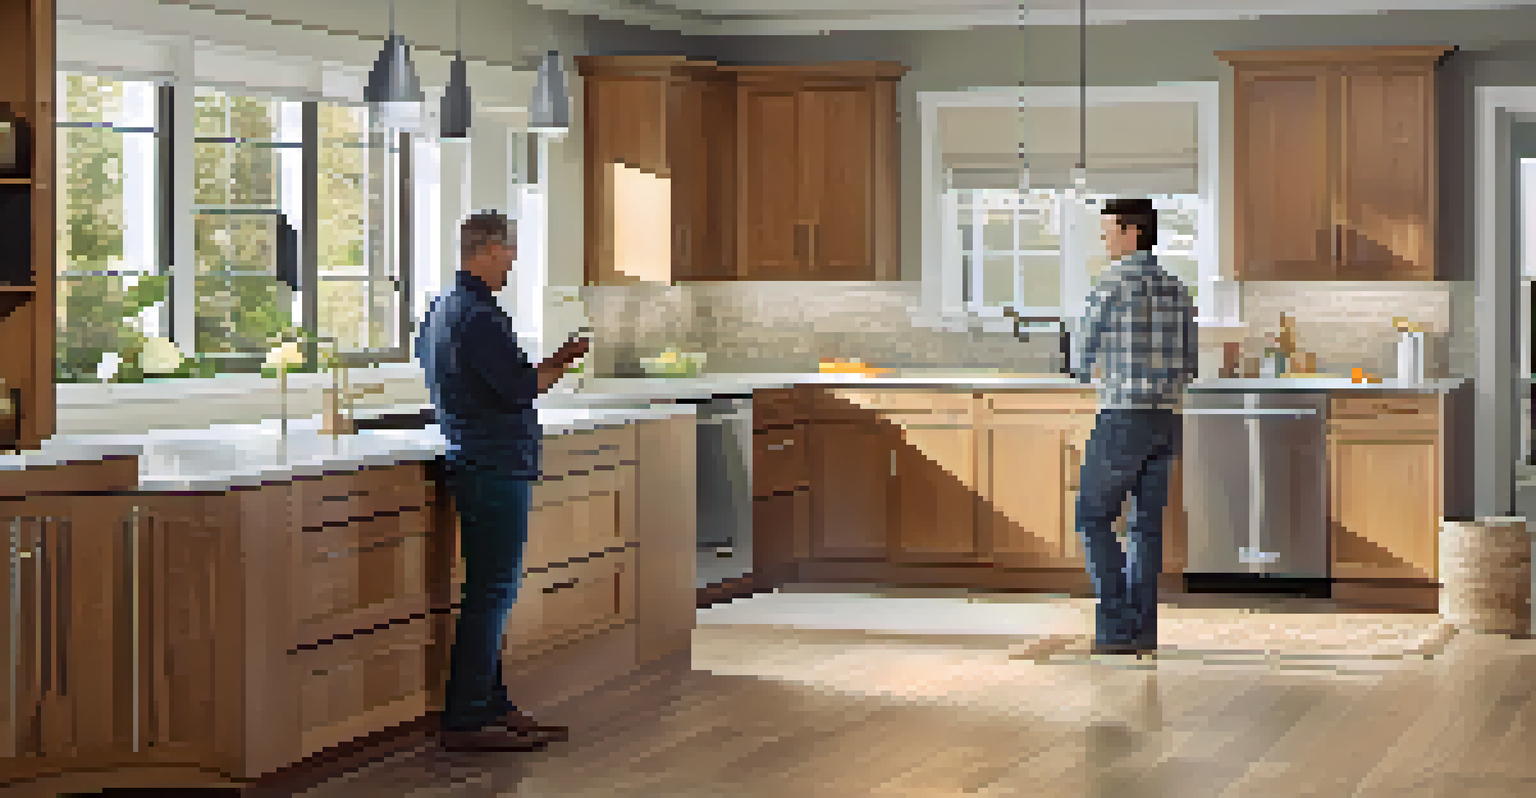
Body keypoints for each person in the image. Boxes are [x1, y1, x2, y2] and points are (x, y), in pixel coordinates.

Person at [416, 211, 591, 752]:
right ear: (489, 249)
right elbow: (520, 387)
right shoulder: (478, 314)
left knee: (489, 591)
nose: (513, 260)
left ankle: (493, 704)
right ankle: (467, 717)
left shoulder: (441, 309)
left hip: (474, 458)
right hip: (494, 464)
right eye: (510, 251)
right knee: (491, 592)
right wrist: (564, 358)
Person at [1071, 197, 1198, 657]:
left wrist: (1088, 371)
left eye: (1108, 230)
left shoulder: (1110, 284)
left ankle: (1114, 628)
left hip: (1122, 414)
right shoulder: (1177, 288)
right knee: (1146, 527)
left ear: (1131, 232)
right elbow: (1190, 363)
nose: (1104, 239)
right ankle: (1142, 631)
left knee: (1093, 516)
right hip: (1165, 418)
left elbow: (1079, 358)